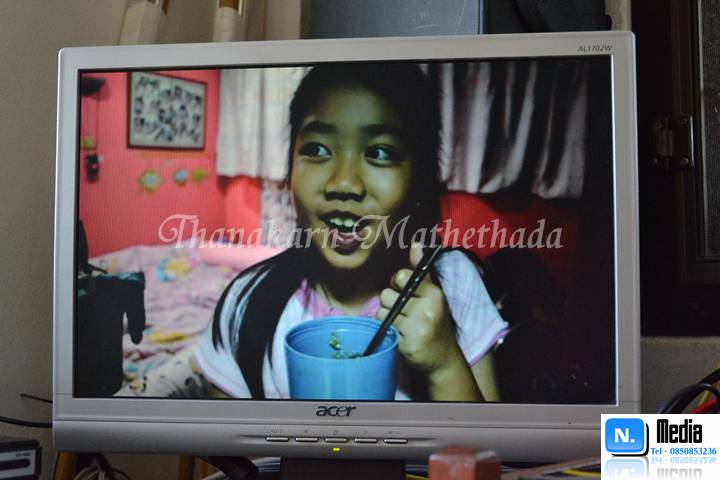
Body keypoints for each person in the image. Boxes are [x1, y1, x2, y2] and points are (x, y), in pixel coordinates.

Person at [121, 63, 508, 401]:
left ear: (420, 178)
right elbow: (234, 449)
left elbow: (488, 453)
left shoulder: (455, 284)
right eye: (318, 149)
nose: (344, 183)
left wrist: (444, 365)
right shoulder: (245, 302)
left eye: (380, 152)